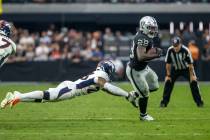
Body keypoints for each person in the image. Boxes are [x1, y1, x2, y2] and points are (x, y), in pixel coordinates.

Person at [1, 60, 137, 109]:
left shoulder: (99, 75)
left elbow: (107, 89)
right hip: (70, 90)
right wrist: (126, 95)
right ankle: (19, 96)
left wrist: (125, 95)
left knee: (45, 99)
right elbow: (107, 86)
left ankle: (20, 98)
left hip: (70, 86)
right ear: (108, 71)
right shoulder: (101, 77)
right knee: (48, 96)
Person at [126, 16, 163, 121]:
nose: (153, 30)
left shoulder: (145, 36)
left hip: (144, 68)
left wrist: (153, 52)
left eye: (154, 27)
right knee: (145, 93)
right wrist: (156, 55)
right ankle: (143, 115)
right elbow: (141, 56)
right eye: (150, 27)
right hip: (135, 70)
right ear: (143, 26)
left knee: (155, 85)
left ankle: (134, 94)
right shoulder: (143, 38)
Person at [160, 36, 204, 108]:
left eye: (177, 46)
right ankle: (164, 103)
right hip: (175, 69)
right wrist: (168, 75)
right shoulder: (170, 50)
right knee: (168, 82)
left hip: (186, 69)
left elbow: (190, 65)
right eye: (174, 46)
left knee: (194, 82)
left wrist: (192, 76)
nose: (175, 48)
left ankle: (199, 102)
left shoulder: (186, 50)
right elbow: (168, 64)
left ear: (180, 44)